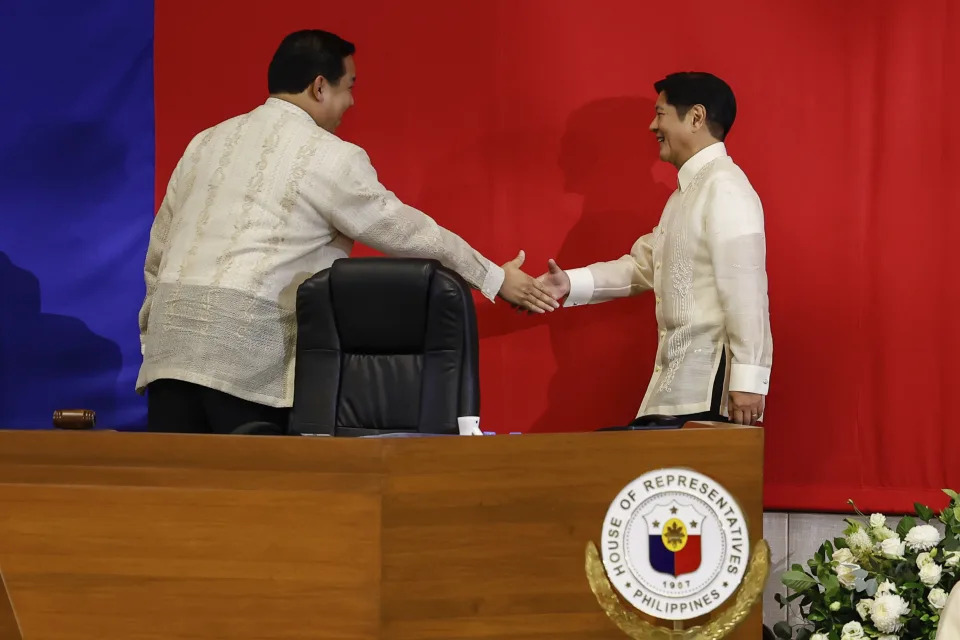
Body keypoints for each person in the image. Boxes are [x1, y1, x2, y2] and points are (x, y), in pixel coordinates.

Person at [137, 29, 558, 434]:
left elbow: (158, 253)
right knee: (250, 499)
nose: (352, 101)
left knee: (176, 498)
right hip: (246, 355)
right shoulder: (330, 156)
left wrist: (151, 339)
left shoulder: (205, 143)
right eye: (349, 87)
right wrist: (495, 278)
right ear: (320, 87)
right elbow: (410, 232)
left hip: (168, 350)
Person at [536, 72, 771, 426]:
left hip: (706, 388)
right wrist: (567, 283)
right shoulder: (683, 196)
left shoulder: (725, 187)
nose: (651, 126)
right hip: (671, 391)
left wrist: (749, 380)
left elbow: (746, 290)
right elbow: (644, 265)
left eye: (660, 114)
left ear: (695, 117)